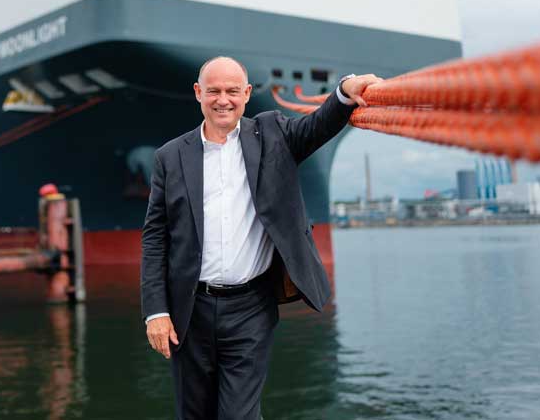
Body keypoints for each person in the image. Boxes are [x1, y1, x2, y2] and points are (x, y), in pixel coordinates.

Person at [141, 56, 381, 419]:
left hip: (250, 307)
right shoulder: (170, 156)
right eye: (214, 91)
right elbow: (155, 237)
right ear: (198, 93)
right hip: (190, 309)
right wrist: (156, 312)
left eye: (232, 91)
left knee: (239, 414)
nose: (224, 100)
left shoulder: (273, 135)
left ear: (247, 93)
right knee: (195, 413)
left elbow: (317, 126)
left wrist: (345, 90)